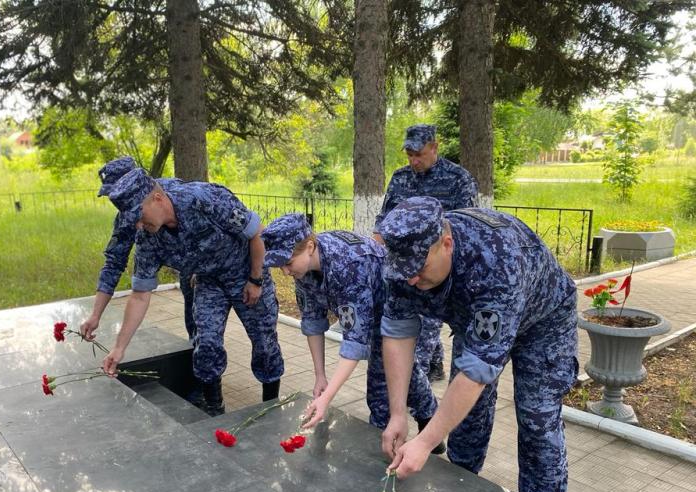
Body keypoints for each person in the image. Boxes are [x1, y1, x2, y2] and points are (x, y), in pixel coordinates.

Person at [379, 197, 578, 492]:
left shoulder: (496, 262)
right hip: (475, 317)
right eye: (404, 271)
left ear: (446, 244)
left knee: (536, 416)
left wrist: (426, 442)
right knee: (467, 415)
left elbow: (477, 371)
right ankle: (461, 485)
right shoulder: (405, 263)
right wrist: (398, 414)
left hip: (543, 321)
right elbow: (397, 335)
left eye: (419, 269)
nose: (411, 280)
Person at [102, 168, 283, 416]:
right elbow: (140, 295)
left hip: (245, 273)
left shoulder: (203, 199)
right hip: (209, 280)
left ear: (157, 198)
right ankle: (214, 411)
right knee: (206, 344)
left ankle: (271, 408)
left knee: (264, 343)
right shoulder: (148, 238)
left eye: (139, 214)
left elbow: (257, 233)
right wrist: (120, 347)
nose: (137, 223)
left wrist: (255, 279)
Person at [261, 214, 444, 453]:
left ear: (309, 246)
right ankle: (428, 417)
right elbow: (313, 320)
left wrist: (326, 399)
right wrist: (320, 376)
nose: (285, 271)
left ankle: (391, 446)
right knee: (405, 370)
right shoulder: (303, 268)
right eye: (279, 265)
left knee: (382, 389)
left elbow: (354, 343)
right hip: (367, 309)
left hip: (395, 309)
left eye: (288, 262)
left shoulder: (346, 265)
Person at [373, 124, 478, 383]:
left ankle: (417, 394)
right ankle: (435, 366)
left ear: (434, 147)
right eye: (409, 154)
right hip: (403, 267)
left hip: (437, 269)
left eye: (418, 154)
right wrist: (376, 247)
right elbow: (385, 219)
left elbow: (466, 226)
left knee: (425, 331)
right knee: (414, 322)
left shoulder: (458, 178)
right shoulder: (400, 178)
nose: (414, 160)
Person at [79, 156, 197, 345]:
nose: (114, 197)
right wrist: (95, 315)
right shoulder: (126, 219)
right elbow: (114, 263)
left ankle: (201, 354)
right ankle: (197, 351)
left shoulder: (170, 193)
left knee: (199, 312)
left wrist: (200, 268)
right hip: (179, 265)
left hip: (202, 262)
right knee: (196, 326)